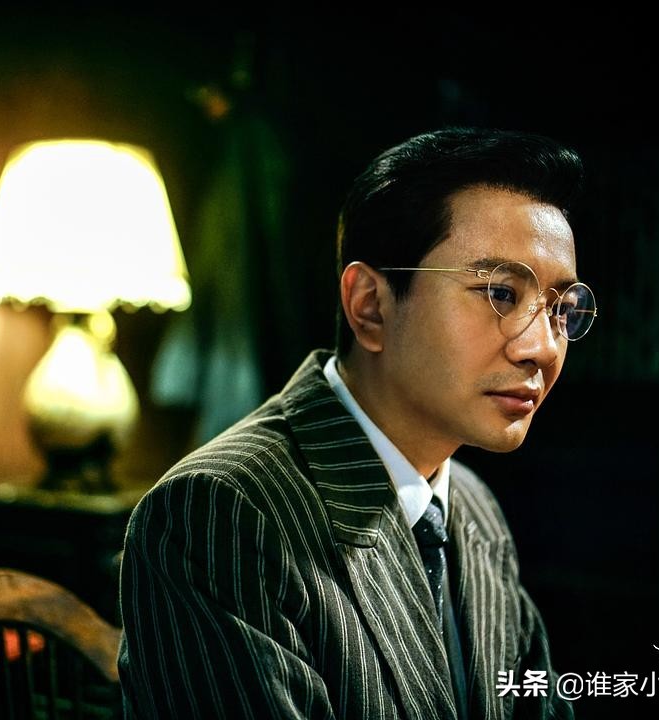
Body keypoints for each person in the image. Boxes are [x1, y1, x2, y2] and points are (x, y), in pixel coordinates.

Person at [118, 127, 591, 720]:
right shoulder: (221, 514)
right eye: (499, 293)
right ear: (370, 305)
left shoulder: (472, 507)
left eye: (560, 308)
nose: (542, 348)